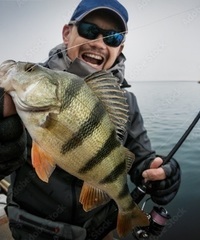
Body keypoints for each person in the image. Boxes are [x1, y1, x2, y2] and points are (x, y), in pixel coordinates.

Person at [0, 0, 181, 239]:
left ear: (121, 47)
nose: (98, 43)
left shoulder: (126, 102)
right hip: (32, 229)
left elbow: (140, 158)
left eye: (113, 37)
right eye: (88, 30)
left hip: (99, 229)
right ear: (67, 33)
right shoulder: (15, 98)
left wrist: (160, 172)